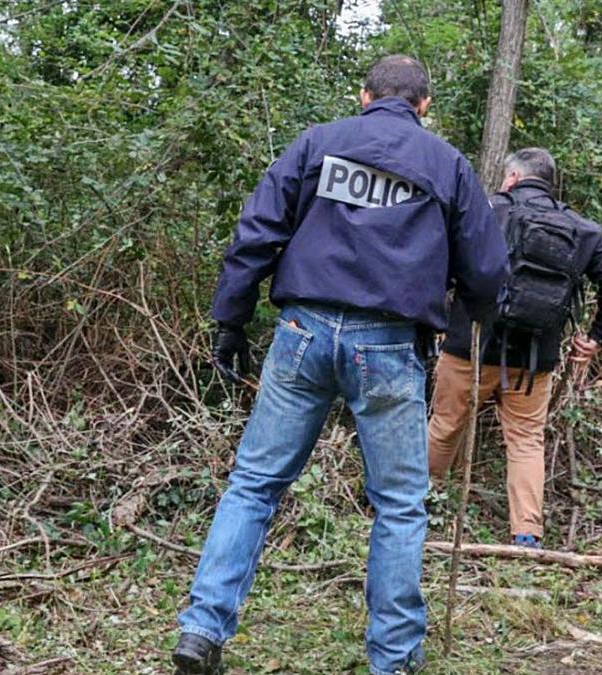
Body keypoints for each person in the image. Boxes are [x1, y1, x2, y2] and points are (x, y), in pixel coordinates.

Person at [172, 55, 509, 675]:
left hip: (302, 332)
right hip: (388, 346)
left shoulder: (317, 144)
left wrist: (231, 319)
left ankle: (201, 629)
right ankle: (394, 661)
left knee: (253, 484)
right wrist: (479, 307)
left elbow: (256, 234)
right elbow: (487, 270)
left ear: (364, 95)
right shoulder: (447, 165)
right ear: (424, 105)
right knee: (401, 504)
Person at [428, 148, 602, 549]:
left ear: (512, 178)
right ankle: (526, 533)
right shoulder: (581, 228)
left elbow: (439, 258)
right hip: (534, 359)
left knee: (445, 424)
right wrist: (596, 336)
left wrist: (433, 314)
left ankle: (421, 504)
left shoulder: (487, 209)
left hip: (468, 345)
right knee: (525, 440)